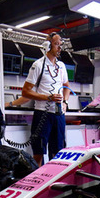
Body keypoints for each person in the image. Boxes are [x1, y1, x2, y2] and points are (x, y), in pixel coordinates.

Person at [21, 32, 69, 165]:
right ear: (47, 46)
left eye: (60, 45)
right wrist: (48, 97)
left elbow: (66, 86)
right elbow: (25, 91)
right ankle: (38, 181)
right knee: (39, 152)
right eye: (56, 44)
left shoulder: (62, 66)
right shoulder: (38, 65)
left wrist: (64, 101)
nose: (59, 48)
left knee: (58, 151)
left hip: (59, 115)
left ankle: (54, 181)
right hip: (42, 113)